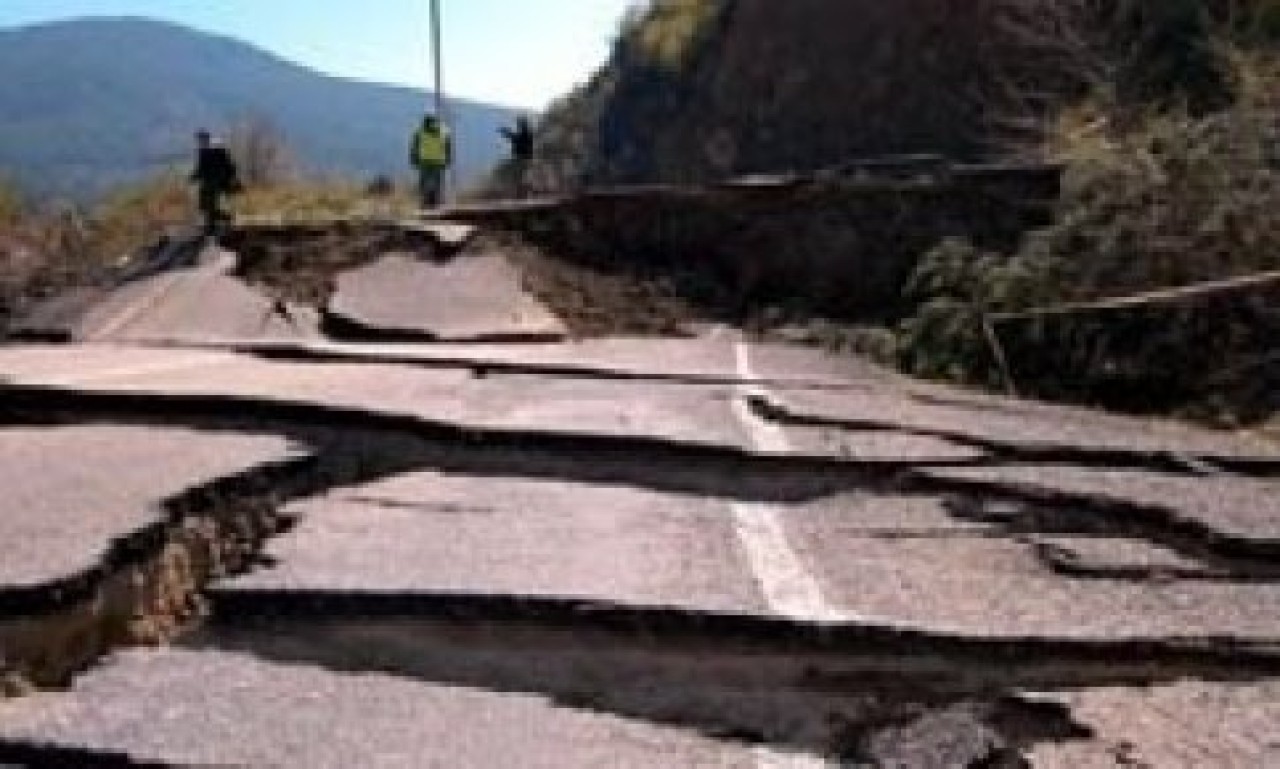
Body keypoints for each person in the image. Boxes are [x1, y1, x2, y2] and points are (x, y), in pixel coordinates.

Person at [190, 130, 240, 235]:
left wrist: (192, 178)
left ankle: (217, 224)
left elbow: (201, 169)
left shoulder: (205, 151)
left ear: (204, 139)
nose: (199, 142)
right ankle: (221, 221)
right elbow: (230, 165)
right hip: (219, 183)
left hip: (211, 184)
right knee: (209, 207)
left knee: (207, 207)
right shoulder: (219, 149)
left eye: (200, 139)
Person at [410, 113, 452, 207]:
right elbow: (448, 147)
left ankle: (424, 201)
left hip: (424, 160)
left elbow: (414, 147)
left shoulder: (419, 131)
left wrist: (413, 159)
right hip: (439, 161)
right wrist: (448, 160)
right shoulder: (444, 131)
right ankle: (436, 202)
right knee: (438, 183)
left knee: (424, 182)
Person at [499, 115, 535, 196]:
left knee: (519, 177)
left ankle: (523, 193)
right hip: (524, 159)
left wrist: (506, 132)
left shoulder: (525, 134)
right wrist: (507, 133)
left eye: (519, 124)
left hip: (522, 159)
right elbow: (514, 138)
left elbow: (515, 138)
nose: (518, 126)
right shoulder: (527, 134)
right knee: (521, 177)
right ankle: (523, 193)